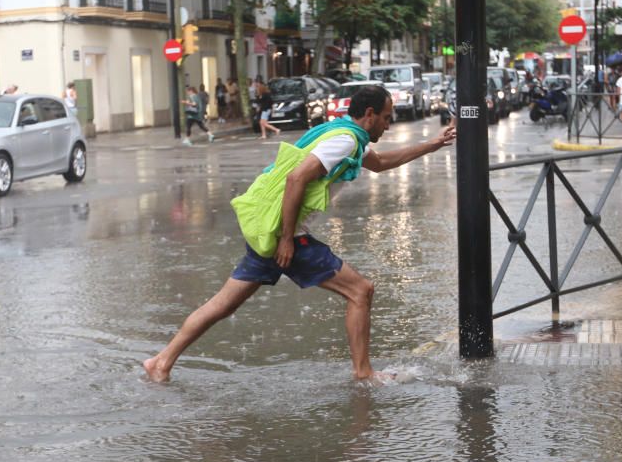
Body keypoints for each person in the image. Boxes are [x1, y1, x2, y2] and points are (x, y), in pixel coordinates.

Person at [143, 85, 457, 383]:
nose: (388, 126)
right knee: (360, 291)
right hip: (286, 233)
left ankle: (161, 362)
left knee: (223, 305)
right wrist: (287, 239)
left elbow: (381, 163)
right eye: (387, 118)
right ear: (370, 114)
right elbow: (296, 179)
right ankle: (363, 373)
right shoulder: (345, 141)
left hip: (270, 227)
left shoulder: (340, 133)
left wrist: (433, 143)